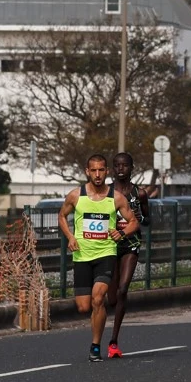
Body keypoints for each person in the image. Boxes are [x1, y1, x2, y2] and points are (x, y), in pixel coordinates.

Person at [58, 155, 139, 362]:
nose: (97, 174)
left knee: (98, 298)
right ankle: (96, 332)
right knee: (84, 307)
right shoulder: (76, 196)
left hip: (106, 254)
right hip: (82, 256)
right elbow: (62, 216)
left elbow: (133, 222)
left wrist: (121, 234)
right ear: (87, 171)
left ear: (106, 172)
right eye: (93, 170)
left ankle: (95, 345)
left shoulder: (116, 197)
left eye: (101, 170)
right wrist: (70, 237)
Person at [107, 152, 155, 358]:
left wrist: (139, 218)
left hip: (131, 244)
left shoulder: (140, 193)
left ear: (131, 168)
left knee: (123, 289)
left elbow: (147, 220)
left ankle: (114, 340)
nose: (120, 169)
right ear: (112, 169)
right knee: (111, 297)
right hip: (108, 245)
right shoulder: (105, 192)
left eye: (124, 165)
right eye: (117, 165)